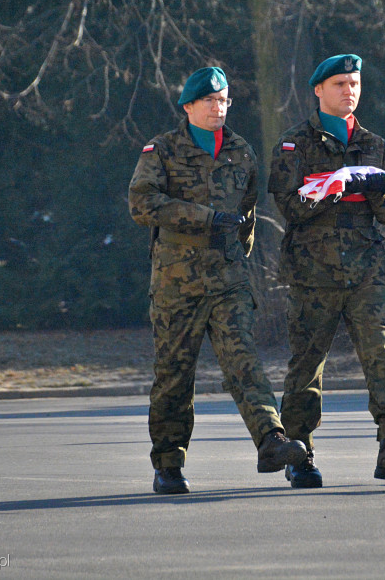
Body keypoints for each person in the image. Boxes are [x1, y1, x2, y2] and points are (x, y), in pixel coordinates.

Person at [129, 67, 307, 494]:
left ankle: (271, 440)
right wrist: (206, 218)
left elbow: (246, 212)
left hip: (227, 280)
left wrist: (236, 255)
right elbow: (142, 203)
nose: (217, 108)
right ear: (188, 106)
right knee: (174, 374)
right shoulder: (163, 150)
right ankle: (168, 464)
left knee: (245, 363)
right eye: (209, 100)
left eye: (224, 100)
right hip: (177, 284)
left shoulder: (241, 152)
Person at [268, 53, 385, 488]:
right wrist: (339, 185)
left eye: (354, 84)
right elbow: (291, 206)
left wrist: (374, 187)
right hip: (313, 272)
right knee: (306, 365)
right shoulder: (295, 145)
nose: (348, 91)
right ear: (318, 90)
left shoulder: (377, 145)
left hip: (366, 270)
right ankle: (300, 452)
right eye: (339, 84)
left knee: (383, 357)